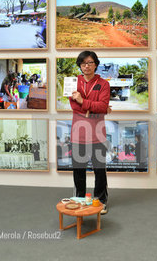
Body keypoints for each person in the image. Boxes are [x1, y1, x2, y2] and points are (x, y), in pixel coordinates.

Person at [69, 51, 111, 215]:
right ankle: (79, 200)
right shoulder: (73, 82)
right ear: (80, 65)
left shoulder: (103, 84)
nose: (86, 66)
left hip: (97, 134)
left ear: (96, 64)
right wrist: (93, 108)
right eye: (83, 63)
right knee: (78, 171)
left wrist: (82, 101)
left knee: (100, 171)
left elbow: (102, 107)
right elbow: (74, 107)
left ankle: (101, 201)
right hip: (78, 133)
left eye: (90, 63)